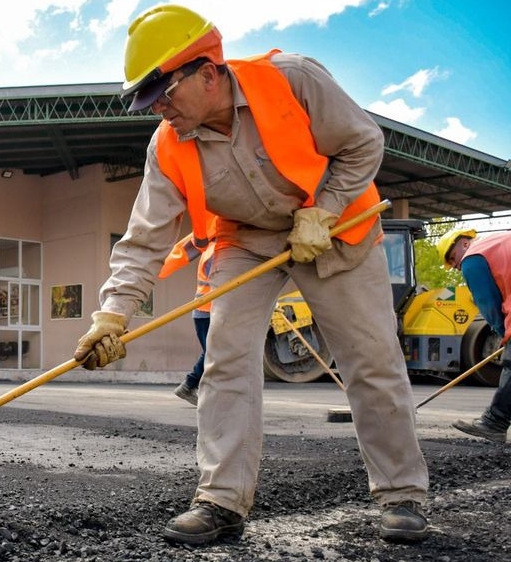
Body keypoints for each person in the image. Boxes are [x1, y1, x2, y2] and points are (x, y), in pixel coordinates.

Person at [72, 4, 429, 545]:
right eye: (149, 101)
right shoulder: (168, 145)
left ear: (208, 72)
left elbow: (363, 142)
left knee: (371, 360)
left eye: (165, 94)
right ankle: (221, 501)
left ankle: (402, 494)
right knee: (226, 363)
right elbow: (144, 238)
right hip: (246, 239)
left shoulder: (293, 80)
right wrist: (111, 316)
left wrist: (325, 208)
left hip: (337, 228)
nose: (159, 110)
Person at [438, 228, 511, 443]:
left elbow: (488, 303)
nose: (456, 266)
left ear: (464, 243)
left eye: (452, 258)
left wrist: (502, 332)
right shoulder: (499, 242)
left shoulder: (474, 257)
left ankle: (494, 423)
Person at [167, 239, 215, 407]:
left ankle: (190, 386)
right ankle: (190, 386)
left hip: (207, 311)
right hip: (208, 311)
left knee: (212, 352)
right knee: (214, 353)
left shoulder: (213, 249)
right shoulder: (215, 251)